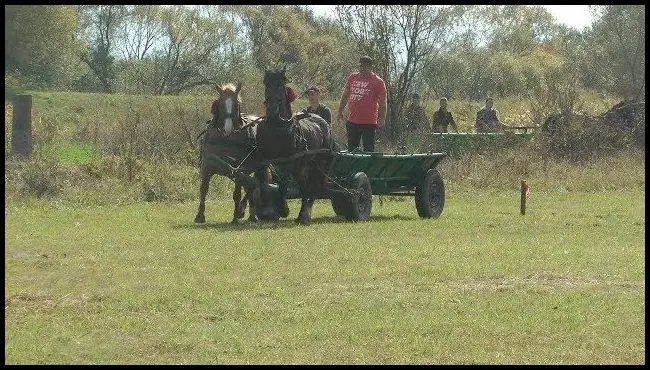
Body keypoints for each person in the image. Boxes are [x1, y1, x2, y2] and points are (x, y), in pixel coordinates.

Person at [336, 55, 387, 152]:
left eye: (365, 66)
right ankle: (353, 167)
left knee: (368, 150)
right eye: (361, 66)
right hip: (352, 120)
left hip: (369, 122)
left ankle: (368, 167)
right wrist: (340, 111)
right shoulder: (353, 77)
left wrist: (382, 117)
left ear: (370, 67)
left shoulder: (378, 82)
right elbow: (345, 95)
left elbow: (383, 101)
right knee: (352, 150)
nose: (362, 68)